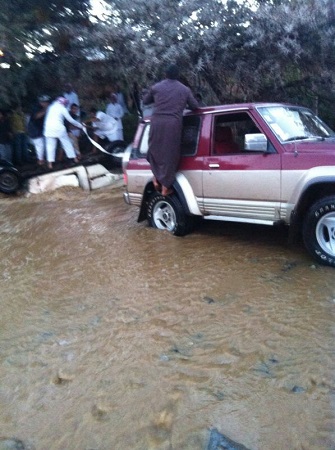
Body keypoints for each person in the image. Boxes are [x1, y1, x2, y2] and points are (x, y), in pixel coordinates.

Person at [142, 64, 199, 196]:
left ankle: (156, 178)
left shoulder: (156, 87)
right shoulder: (184, 89)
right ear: (178, 76)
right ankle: (166, 187)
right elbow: (195, 106)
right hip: (172, 125)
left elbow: (145, 101)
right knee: (170, 154)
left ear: (165, 75)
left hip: (156, 123)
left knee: (155, 150)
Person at [43, 97, 83, 169]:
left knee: (50, 147)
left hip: (48, 129)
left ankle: (50, 164)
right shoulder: (62, 108)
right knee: (67, 143)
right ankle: (75, 159)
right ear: (63, 103)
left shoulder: (50, 107)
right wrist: (80, 125)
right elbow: (70, 120)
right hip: (59, 128)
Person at [27, 95, 51, 166]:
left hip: (40, 130)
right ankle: (40, 161)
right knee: (40, 146)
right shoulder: (36, 107)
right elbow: (36, 116)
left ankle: (43, 161)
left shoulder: (43, 108)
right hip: (35, 130)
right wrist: (46, 110)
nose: (47, 103)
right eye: (46, 102)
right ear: (41, 102)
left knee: (43, 146)